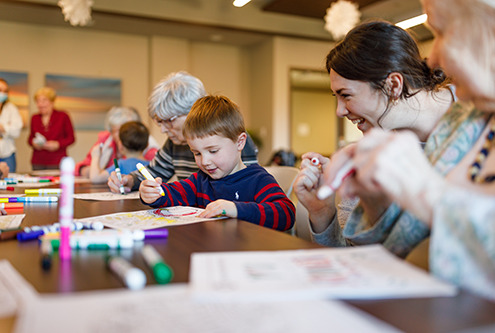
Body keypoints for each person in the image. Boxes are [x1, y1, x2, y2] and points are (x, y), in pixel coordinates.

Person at [314, 0, 495, 300]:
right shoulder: (467, 120)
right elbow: (395, 255)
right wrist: (373, 197)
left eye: (442, 31)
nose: (433, 58)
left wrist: (424, 191)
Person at [294, 20, 454, 244]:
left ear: (393, 86)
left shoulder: (478, 120)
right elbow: (354, 259)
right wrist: (322, 213)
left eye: (346, 95)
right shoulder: (371, 152)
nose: (339, 111)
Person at [140, 95, 295, 231]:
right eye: (197, 153)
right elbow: (172, 193)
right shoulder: (200, 180)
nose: (205, 161)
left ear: (240, 142)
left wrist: (236, 209)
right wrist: (153, 193)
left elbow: (286, 214)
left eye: (213, 151)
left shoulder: (257, 180)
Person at [107, 71, 258, 193]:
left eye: (169, 120)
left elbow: (248, 187)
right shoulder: (174, 143)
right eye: (159, 122)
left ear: (194, 111)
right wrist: (129, 180)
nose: (163, 129)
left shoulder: (231, 139)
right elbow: (154, 171)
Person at [76, 106, 159, 177]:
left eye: (125, 129)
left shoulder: (150, 150)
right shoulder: (106, 140)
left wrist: (99, 171)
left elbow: (96, 178)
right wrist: (91, 171)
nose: (122, 134)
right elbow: (81, 166)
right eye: (115, 130)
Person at [27, 87, 75, 170]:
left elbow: (71, 138)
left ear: (52, 102)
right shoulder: (34, 118)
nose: (40, 104)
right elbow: (30, 138)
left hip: (57, 161)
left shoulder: (63, 116)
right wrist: (34, 143)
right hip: (38, 162)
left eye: (44, 101)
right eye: (38, 101)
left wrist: (57, 144)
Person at [0, 78, 23, 172]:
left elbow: (17, 130)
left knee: (9, 183)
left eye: (5, 91)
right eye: (0, 90)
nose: (2, 94)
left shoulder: (11, 108)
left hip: (8, 154)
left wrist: (3, 128)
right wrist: (8, 126)